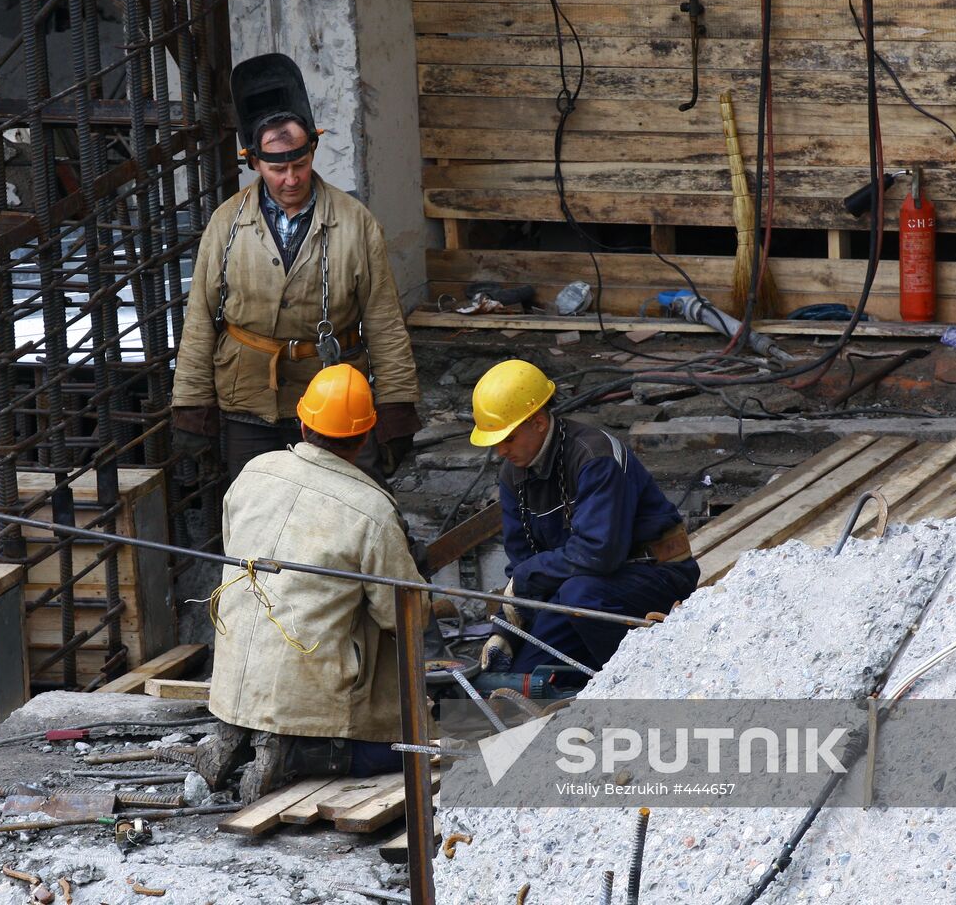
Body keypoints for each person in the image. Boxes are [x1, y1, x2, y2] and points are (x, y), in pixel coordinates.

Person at [175, 364, 429, 803]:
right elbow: (401, 616)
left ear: (303, 423)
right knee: (408, 746)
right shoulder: (372, 510)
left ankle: (238, 734)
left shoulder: (254, 472)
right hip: (312, 701)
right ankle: (299, 753)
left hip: (234, 686)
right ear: (366, 435)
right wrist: (431, 603)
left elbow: (236, 551)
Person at [169, 52, 421, 485]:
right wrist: (192, 405)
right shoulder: (226, 224)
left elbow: (384, 322)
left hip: (332, 396)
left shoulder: (355, 222)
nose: (291, 179)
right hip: (247, 398)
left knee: (346, 506)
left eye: (300, 165)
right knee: (257, 512)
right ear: (254, 163)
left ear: (314, 149)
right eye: (278, 168)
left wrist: (397, 407)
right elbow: (199, 320)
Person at [469, 360, 699, 674]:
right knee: (521, 676)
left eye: (507, 439)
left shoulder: (594, 456)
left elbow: (598, 553)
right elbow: (522, 570)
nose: (501, 452)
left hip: (654, 573)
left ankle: (640, 678)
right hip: (578, 590)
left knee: (580, 595)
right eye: (496, 443)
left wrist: (526, 578)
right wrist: (505, 630)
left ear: (538, 422)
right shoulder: (513, 475)